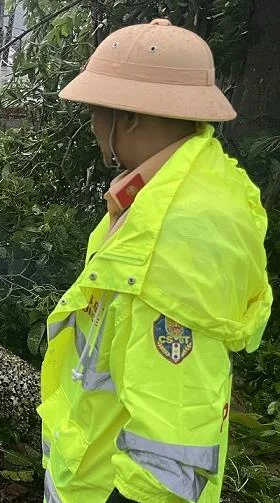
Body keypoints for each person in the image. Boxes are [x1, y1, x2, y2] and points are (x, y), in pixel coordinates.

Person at [39, 19, 273, 503]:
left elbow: (170, 452)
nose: (91, 127)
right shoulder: (171, 192)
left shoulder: (172, 241)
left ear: (127, 118)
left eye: (95, 112)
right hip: (92, 470)